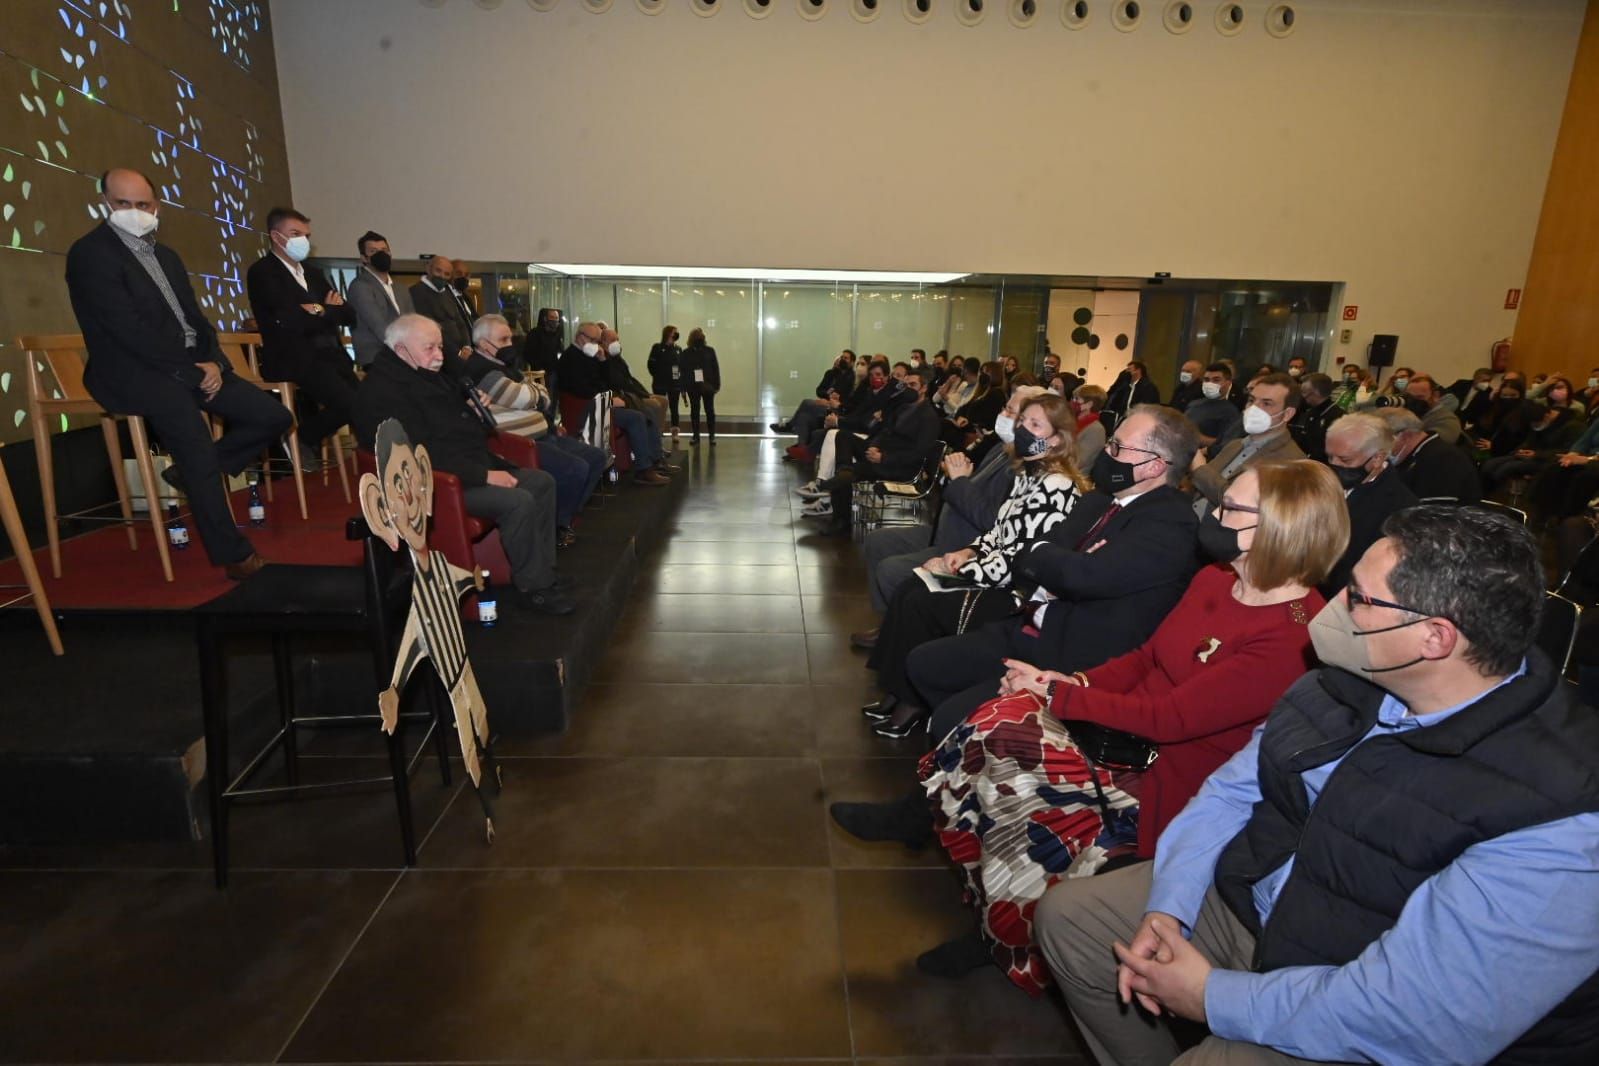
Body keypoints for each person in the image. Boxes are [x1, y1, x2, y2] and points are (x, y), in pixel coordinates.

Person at [1037, 505, 1599, 1066]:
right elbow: (1230, 792)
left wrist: (1213, 998)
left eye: (1357, 597)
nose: (1330, 611)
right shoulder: (1347, 682)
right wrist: (1170, 908)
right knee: (1072, 920)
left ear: (1433, 638)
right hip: (1267, 905)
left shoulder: (1558, 812)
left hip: (1374, 995)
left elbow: (1420, 1018)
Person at [920, 461, 1346, 986]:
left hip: (1164, 773)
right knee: (999, 716)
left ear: (1280, 528)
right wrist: (1069, 679)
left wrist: (1056, 694)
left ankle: (1020, 938)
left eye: (1230, 508)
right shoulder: (1216, 578)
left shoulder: (1292, 635)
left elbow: (1171, 720)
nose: (1213, 515)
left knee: (1010, 739)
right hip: (1120, 734)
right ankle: (997, 899)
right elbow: (1146, 658)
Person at [830, 405, 1202, 848]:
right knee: (926, 664)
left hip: (1075, 657)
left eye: (1120, 447)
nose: (1107, 452)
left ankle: (922, 817)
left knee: (953, 715)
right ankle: (970, 787)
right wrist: (1063, 559)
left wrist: (1063, 561)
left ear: (1155, 465)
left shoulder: (1170, 522)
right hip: (1032, 626)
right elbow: (1038, 554)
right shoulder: (1102, 501)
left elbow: (1082, 576)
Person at [65, 167, 292, 579]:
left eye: (143, 204)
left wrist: (215, 364)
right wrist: (191, 372)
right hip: (134, 371)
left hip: (191, 365)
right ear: (105, 204)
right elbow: (127, 330)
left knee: (274, 416)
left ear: (157, 205)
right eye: (123, 204)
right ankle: (234, 556)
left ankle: (191, 474)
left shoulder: (165, 255)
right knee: (197, 445)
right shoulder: (90, 254)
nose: (135, 212)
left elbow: (196, 320)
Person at [865, 394, 1089, 737]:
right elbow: (998, 533)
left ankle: (912, 704)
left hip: (1015, 593)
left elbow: (1021, 558)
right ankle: (896, 691)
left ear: (1057, 438)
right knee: (914, 583)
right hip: (994, 574)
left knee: (921, 602)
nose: (1023, 430)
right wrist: (965, 553)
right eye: (1022, 421)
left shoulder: (1056, 486)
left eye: (1034, 424)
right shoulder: (1029, 475)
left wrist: (962, 571)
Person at [353, 314, 573, 614]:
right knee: (518, 501)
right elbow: (417, 455)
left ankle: (542, 572)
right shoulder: (383, 392)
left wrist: (472, 409)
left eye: (440, 347)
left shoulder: (430, 375)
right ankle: (535, 589)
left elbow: (460, 430)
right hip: (434, 483)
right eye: (430, 347)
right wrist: (485, 475)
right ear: (401, 350)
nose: (439, 355)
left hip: (465, 465)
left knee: (542, 482)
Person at [853, 385, 1044, 644]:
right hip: (943, 532)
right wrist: (953, 476)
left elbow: (992, 521)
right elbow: (967, 485)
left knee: (890, 571)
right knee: (878, 541)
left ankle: (901, 633)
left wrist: (959, 481)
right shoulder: (1001, 449)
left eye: (1009, 410)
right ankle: (889, 622)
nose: (1002, 413)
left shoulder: (1022, 468)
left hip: (964, 546)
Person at [463, 314, 604, 545]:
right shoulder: (481, 370)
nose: (510, 344)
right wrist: (535, 394)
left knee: (596, 457)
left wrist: (534, 394)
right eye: (504, 339)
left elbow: (541, 392)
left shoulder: (505, 366)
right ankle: (557, 527)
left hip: (544, 433)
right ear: (484, 345)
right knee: (575, 468)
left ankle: (564, 517)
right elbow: (521, 396)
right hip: (518, 443)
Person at [245, 206, 357, 465]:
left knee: (366, 402)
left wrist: (318, 310)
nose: (302, 240)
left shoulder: (314, 274)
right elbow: (290, 319)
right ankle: (303, 437)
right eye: (295, 233)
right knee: (347, 403)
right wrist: (327, 310)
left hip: (330, 355)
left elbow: (349, 315)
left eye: (306, 235)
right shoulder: (263, 272)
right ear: (276, 236)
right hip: (293, 356)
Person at [818, 367, 941, 536]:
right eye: (905, 386)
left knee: (850, 475)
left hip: (900, 467)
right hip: (880, 454)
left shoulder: (929, 417)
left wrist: (884, 457)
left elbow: (918, 455)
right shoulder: (902, 407)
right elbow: (884, 431)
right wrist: (875, 445)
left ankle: (842, 520)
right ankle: (843, 471)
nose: (908, 390)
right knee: (842, 436)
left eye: (913, 385)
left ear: (924, 388)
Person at [560, 321, 670, 484]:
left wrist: (603, 360)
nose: (596, 344)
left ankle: (653, 460)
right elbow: (581, 389)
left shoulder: (590, 356)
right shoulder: (570, 357)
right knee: (636, 417)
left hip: (601, 403)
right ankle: (643, 469)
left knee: (643, 412)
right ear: (579, 337)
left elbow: (607, 382)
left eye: (598, 341)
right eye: (593, 340)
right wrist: (610, 399)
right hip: (589, 408)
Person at [1321, 413, 1418, 594]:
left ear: (1377, 459)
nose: (1334, 465)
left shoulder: (1400, 508)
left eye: (1345, 460)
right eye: (1330, 457)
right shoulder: (1323, 483)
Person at [1191, 373, 1303, 511]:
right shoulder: (1235, 445)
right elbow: (1198, 489)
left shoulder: (1292, 461)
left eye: (1266, 403)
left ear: (1288, 414)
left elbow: (1242, 505)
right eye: (1251, 400)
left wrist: (1200, 470)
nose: (1253, 408)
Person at [1481, 391, 1584, 493]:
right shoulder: (1536, 417)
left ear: (1547, 416)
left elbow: (1569, 450)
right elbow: (1529, 441)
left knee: (1506, 468)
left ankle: (1491, 495)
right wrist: (1519, 451)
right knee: (1489, 464)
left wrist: (1537, 454)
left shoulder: (1573, 426)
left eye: (1536, 424)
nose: (1535, 427)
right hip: (1531, 456)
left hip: (1550, 461)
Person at [1377, 406, 1481, 504]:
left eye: (1380, 441)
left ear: (1406, 436)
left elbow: (1432, 513)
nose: (1377, 448)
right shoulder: (1417, 454)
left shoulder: (1442, 459)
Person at [346, 230, 413, 368]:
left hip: (405, 355)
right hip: (377, 357)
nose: (381, 254)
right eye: (373, 251)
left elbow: (413, 320)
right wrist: (406, 351)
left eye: (384, 250)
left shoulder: (401, 288)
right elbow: (378, 325)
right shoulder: (360, 286)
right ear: (364, 258)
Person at [598, 326, 669, 453]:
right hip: (625, 395)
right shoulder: (604, 361)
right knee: (654, 405)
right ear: (603, 342)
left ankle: (657, 441)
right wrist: (644, 396)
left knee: (663, 401)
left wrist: (646, 393)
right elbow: (620, 383)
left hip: (633, 392)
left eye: (618, 339)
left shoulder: (618, 358)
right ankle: (654, 447)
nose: (617, 343)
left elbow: (630, 379)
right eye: (613, 340)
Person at [409, 255, 474, 360]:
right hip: (438, 355)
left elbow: (460, 322)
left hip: (460, 353)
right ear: (428, 269)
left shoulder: (447, 293)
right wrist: (457, 353)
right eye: (438, 271)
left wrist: (467, 346)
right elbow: (431, 327)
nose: (442, 276)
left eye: (447, 274)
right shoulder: (417, 292)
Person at [1184, 363, 1244, 455]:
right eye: (1207, 380)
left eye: (1216, 380)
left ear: (1228, 384)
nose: (1210, 384)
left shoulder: (1230, 412)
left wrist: (1199, 438)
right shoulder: (1193, 404)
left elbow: (1226, 444)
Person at [1286, 371, 1341, 462]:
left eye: (1304, 392)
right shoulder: (1311, 412)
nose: (1302, 396)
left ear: (1316, 393)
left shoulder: (1337, 417)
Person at [680, 327, 721, 447]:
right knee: (695, 411)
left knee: (709, 411)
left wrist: (716, 384)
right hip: (692, 386)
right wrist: (682, 388)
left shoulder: (710, 351)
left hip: (708, 385)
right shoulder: (686, 353)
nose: (701, 337)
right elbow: (682, 371)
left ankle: (711, 435)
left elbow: (715, 368)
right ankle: (696, 435)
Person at [1402, 373, 1463, 443]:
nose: (1413, 402)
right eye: (1410, 397)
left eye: (1420, 397)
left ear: (1435, 396)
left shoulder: (1447, 421)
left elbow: (1426, 446)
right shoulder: (1414, 413)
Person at [647, 325, 684, 436]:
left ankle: (675, 432)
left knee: (674, 408)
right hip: (660, 384)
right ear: (668, 334)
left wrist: (680, 381)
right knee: (658, 407)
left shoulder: (678, 349)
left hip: (674, 384)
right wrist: (657, 376)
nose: (676, 334)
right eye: (674, 332)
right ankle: (658, 431)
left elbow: (680, 366)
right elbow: (651, 364)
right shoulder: (657, 347)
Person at [1104, 361, 1161, 430]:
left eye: (1129, 369)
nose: (1127, 372)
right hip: (1124, 418)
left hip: (1138, 420)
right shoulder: (1125, 386)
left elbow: (1147, 406)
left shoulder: (1148, 388)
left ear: (1138, 370)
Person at [524, 307, 565, 391]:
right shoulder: (534, 333)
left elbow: (560, 351)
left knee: (555, 398)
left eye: (556, 318)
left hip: (556, 372)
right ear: (545, 319)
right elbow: (527, 354)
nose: (554, 320)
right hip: (540, 374)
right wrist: (539, 368)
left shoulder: (558, 334)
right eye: (552, 317)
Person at [1072, 383, 1108, 471]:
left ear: (1089, 404)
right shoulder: (1074, 422)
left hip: (1077, 477)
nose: (1073, 402)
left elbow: (1078, 461)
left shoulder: (1096, 430)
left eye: (1077, 399)